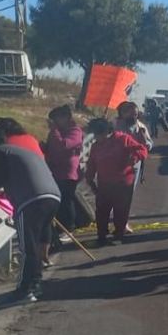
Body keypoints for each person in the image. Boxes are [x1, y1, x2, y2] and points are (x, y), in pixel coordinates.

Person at [0, 131, 60, 303]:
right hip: (53, 196)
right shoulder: (18, 151)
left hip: (31, 201)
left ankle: (25, 290)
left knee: (28, 247)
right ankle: (35, 285)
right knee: (35, 244)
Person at [85, 118, 148, 246]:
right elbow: (91, 163)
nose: (96, 138)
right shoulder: (96, 146)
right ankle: (101, 236)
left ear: (106, 132)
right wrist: (89, 178)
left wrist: (134, 158)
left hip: (123, 183)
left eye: (98, 135)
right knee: (101, 211)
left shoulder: (122, 139)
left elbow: (142, 150)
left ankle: (119, 234)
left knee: (121, 211)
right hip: (104, 184)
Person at [44, 105, 85, 250]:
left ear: (67, 118)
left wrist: (54, 131)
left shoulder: (75, 131)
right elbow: (51, 147)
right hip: (55, 170)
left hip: (68, 172)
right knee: (59, 200)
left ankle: (69, 228)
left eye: (58, 118)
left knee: (66, 200)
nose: (55, 121)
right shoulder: (57, 132)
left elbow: (64, 146)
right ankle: (61, 228)